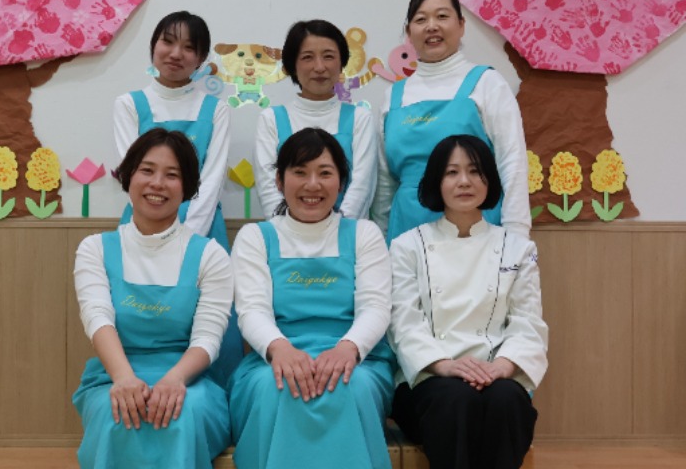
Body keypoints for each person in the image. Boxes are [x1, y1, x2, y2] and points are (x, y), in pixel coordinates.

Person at [230, 128, 395, 469]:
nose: (312, 185)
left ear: (341, 182)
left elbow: (376, 307)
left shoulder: (364, 234)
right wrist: (281, 350)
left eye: (325, 173)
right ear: (279, 180)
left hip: (356, 359)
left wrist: (348, 348)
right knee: (275, 386)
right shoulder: (255, 237)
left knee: (351, 385)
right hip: (273, 358)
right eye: (300, 172)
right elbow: (251, 311)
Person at [73, 129, 233, 469]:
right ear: (128, 176)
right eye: (147, 170)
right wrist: (123, 379)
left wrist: (175, 380)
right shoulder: (95, 249)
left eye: (172, 175)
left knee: (179, 414)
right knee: (118, 414)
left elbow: (207, 338)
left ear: (187, 188)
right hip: (113, 375)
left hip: (189, 380)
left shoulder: (210, 255)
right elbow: (98, 319)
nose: (157, 183)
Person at [388, 135, 548, 469]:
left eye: (475, 171)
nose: (464, 181)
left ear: (489, 180)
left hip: (494, 373)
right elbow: (404, 324)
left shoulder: (517, 249)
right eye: (452, 172)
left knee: (508, 399)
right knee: (456, 399)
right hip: (429, 378)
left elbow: (528, 323)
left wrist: (501, 368)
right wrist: (445, 365)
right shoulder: (407, 247)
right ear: (437, 181)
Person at [371, 0, 531, 244]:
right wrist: (379, 240)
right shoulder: (393, 97)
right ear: (409, 32)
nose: (432, 26)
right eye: (421, 19)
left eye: (442, 16)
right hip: (407, 232)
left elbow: (512, 164)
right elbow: (384, 182)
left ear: (461, 25)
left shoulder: (487, 84)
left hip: (475, 229)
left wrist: (517, 238)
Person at [114, 11, 230, 251]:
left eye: (189, 47)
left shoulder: (217, 110)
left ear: (201, 58)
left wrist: (187, 238)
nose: (176, 54)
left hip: (202, 228)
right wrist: (157, 234)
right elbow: (131, 176)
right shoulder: (129, 105)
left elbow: (213, 180)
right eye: (168, 41)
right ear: (154, 45)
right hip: (142, 227)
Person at [255, 19, 377, 220]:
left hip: (345, 231)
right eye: (307, 57)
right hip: (286, 233)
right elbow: (268, 187)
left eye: (328, 56)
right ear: (292, 65)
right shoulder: (271, 119)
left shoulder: (360, 118)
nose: (319, 67)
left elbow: (362, 187)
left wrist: (338, 231)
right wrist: (287, 230)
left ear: (342, 63)